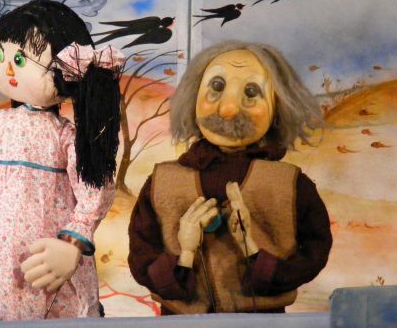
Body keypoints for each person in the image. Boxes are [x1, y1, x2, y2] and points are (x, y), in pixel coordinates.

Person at [0, 0, 124, 322]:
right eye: (0, 55)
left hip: (43, 252)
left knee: (44, 319)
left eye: (20, 59)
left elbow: (94, 190)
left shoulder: (66, 136)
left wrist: (72, 242)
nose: (8, 70)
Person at [128, 41, 332, 314]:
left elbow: (314, 250)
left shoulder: (290, 185)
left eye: (252, 92)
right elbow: (142, 254)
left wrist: (254, 251)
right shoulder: (162, 182)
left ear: (278, 105)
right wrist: (184, 255)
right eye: (216, 87)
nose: (228, 109)